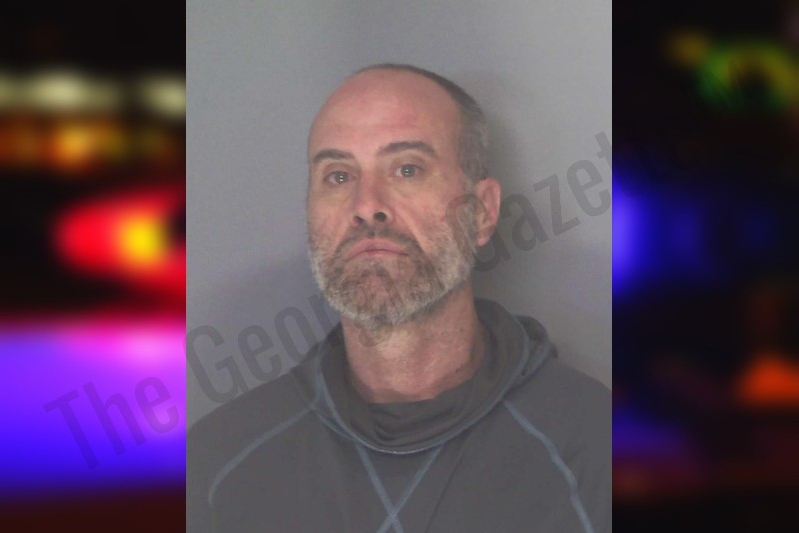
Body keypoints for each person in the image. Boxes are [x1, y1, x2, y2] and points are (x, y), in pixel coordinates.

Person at [187, 64, 611, 532]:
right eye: (338, 176)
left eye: (407, 169)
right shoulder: (217, 466)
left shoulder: (598, 447)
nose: (367, 205)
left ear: (483, 212)